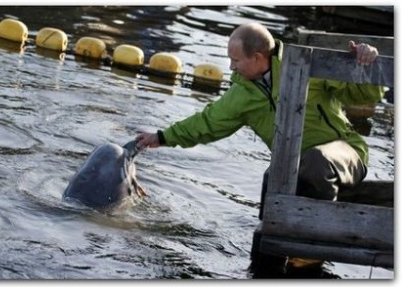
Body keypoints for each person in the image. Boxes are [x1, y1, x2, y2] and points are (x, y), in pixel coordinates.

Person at [135, 22, 384, 276]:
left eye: (235, 60)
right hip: (293, 166)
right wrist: (162, 137)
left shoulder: (310, 65)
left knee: (315, 161)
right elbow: (206, 123)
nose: (231, 67)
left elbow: (362, 95)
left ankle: (308, 260)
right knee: (271, 177)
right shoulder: (242, 92)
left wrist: (366, 60)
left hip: (345, 155)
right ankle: (264, 268)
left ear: (257, 57)